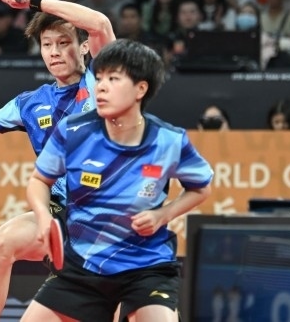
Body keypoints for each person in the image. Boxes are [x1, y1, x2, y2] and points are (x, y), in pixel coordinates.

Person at [0, 0, 116, 322]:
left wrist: (35, 1)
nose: (54, 52)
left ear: (84, 47)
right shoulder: (31, 103)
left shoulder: (102, 80)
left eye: (63, 43)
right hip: (62, 215)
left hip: (111, 217)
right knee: (1, 244)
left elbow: (100, 23)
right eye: (47, 44)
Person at [23, 39, 213, 321]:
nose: (100, 86)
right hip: (84, 265)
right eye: (99, 78)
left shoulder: (168, 140)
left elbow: (201, 188)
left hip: (145, 266)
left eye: (113, 79)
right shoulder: (73, 131)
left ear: (140, 89)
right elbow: (39, 180)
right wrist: (43, 217)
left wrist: (163, 215)